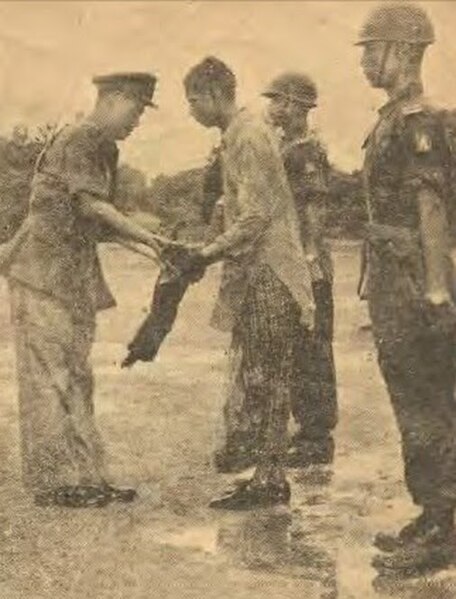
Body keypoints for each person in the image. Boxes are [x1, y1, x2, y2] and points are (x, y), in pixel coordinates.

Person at [5, 72, 164, 508]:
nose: (138, 120)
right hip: (41, 273)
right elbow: (91, 205)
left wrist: (152, 248)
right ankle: (55, 482)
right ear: (112, 99)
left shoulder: (102, 147)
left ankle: (88, 477)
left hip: (69, 275)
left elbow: (94, 222)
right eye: (135, 108)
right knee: (48, 378)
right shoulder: (81, 138)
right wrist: (152, 240)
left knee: (76, 377)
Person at [181, 56, 315, 509]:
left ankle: (271, 480)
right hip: (256, 274)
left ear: (216, 94)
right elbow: (239, 207)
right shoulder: (238, 135)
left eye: (194, 99)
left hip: (272, 274)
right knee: (260, 376)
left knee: (271, 376)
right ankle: (266, 474)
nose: (192, 110)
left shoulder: (250, 136)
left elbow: (256, 216)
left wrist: (207, 252)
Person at [357, 2, 456, 573]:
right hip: (395, 278)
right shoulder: (393, 116)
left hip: (416, 280)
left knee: (428, 400)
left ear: (404, 51)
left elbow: (431, 205)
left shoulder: (418, 120)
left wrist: (438, 290)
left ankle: (443, 526)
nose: (365, 61)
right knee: (410, 398)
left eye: (372, 49)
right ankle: (431, 511)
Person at [263, 72, 338, 467]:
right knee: (294, 348)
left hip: (309, 265)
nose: (272, 108)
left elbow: (314, 207)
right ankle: (305, 430)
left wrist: (310, 258)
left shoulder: (305, 151)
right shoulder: (283, 147)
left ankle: (316, 437)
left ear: (295, 106)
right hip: (289, 262)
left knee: (313, 351)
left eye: (277, 100)